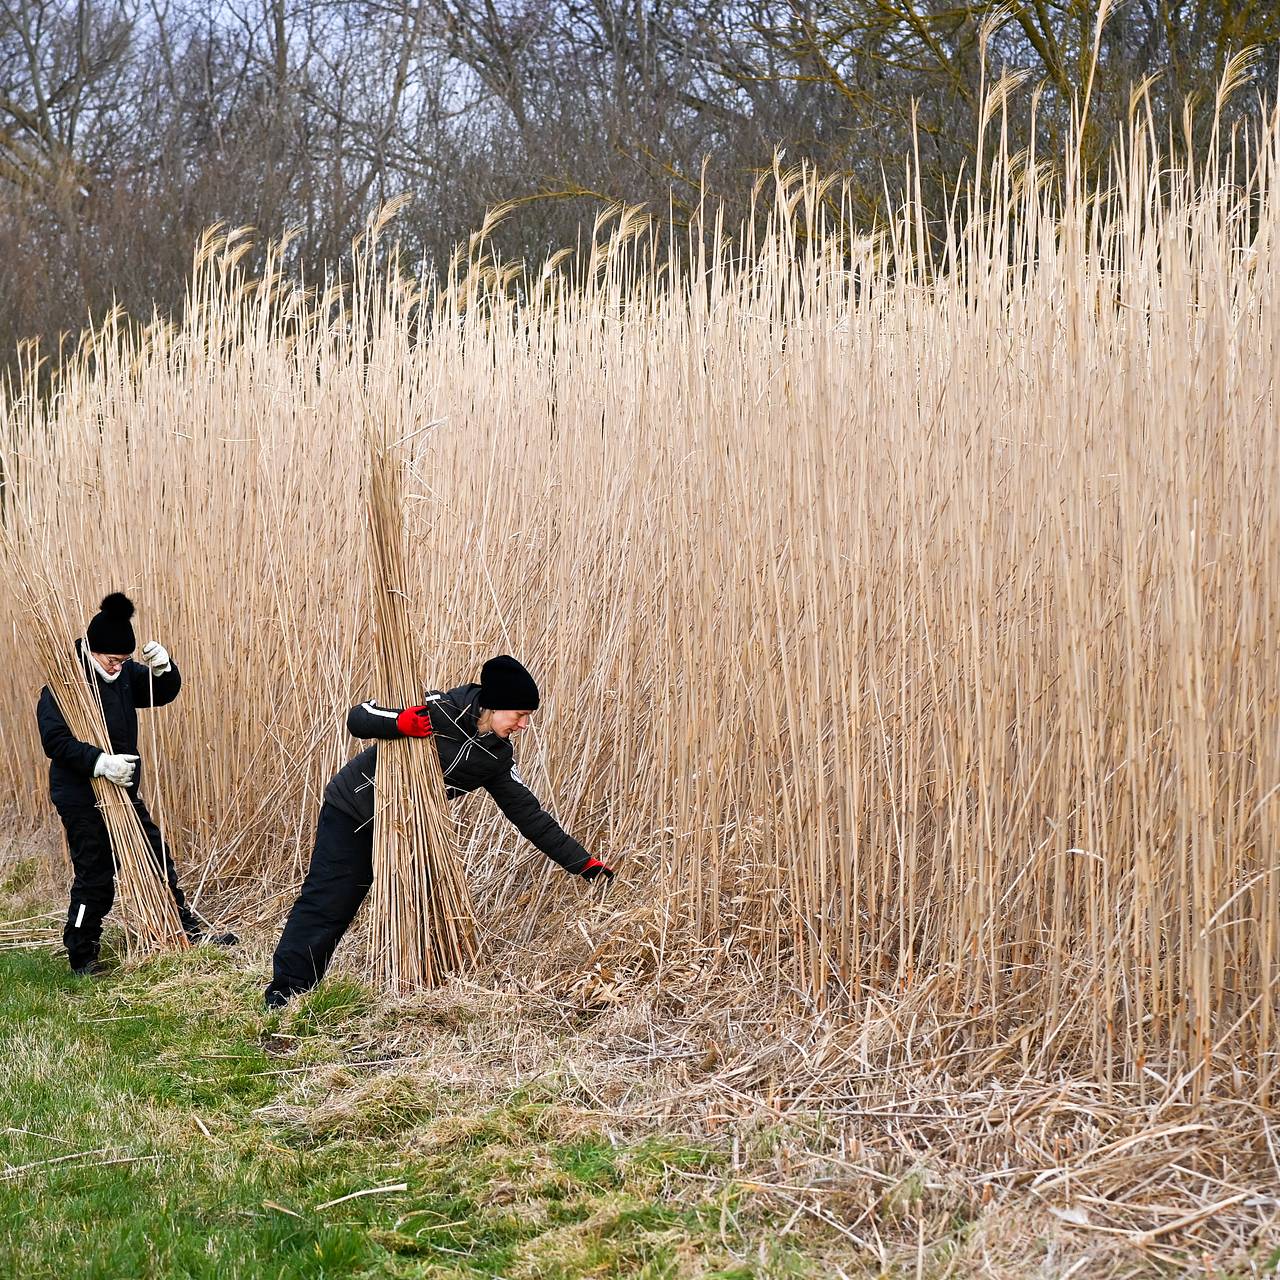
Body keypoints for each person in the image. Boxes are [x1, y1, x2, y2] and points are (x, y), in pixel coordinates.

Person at [265, 655, 614, 1008]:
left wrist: (583, 864)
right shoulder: (438, 708)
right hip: (353, 811)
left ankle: (409, 994)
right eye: (519, 715)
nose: (524, 725)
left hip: (406, 830)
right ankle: (288, 990)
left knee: (416, 904)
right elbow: (360, 716)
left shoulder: (495, 757)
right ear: (494, 706)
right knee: (331, 900)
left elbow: (530, 816)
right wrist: (399, 723)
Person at [35, 592, 236, 976]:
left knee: (155, 854)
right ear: (92, 651)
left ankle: (182, 931)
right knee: (95, 872)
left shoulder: (124, 675)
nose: (117, 668)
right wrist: (100, 763)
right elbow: (54, 742)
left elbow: (161, 693)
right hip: (80, 794)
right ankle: (81, 952)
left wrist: (165, 668)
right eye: (111, 660)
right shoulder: (64, 684)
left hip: (122, 791)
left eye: (125, 661)